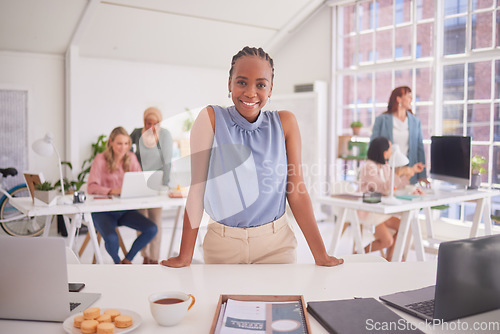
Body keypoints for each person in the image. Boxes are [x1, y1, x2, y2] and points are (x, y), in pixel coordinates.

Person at [161, 46, 343, 267]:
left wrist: (320, 255)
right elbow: (197, 191)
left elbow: (296, 192)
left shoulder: (285, 124)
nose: (250, 92)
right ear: (229, 83)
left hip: (276, 246)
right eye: (242, 82)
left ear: (270, 88)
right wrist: (185, 256)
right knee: (218, 302)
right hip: (222, 245)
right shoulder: (211, 119)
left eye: (260, 85)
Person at [87, 126, 158, 264]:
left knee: (152, 229)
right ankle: (117, 262)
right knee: (112, 238)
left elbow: (139, 181)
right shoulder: (100, 159)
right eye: (119, 143)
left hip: (124, 210)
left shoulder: (131, 158)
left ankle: (128, 259)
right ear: (111, 142)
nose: (123, 147)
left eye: (126, 144)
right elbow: (91, 187)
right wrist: (111, 191)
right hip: (103, 211)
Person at [358, 137, 424, 261]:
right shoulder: (369, 167)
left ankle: (391, 261)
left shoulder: (385, 166)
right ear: (383, 151)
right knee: (387, 241)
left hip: (381, 210)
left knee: (404, 226)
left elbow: (394, 186)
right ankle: (357, 254)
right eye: (389, 148)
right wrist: (400, 173)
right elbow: (384, 188)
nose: (391, 152)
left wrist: (408, 174)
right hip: (370, 210)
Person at [130, 107, 173, 264]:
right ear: (144, 122)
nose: (152, 127)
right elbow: (127, 156)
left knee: (156, 221)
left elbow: (167, 162)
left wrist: (165, 186)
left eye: (156, 123)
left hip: (157, 185)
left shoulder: (165, 135)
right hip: (139, 184)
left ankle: (154, 258)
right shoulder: (135, 134)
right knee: (141, 221)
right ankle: (145, 256)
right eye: (149, 123)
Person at [371, 86, 429, 186]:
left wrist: (422, 175)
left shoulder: (415, 122)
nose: (411, 99)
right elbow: (373, 146)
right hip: (388, 170)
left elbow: (420, 148)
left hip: (408, 171)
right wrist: (374, 170)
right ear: (399, 99)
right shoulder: (382, 120)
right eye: (408, 96)